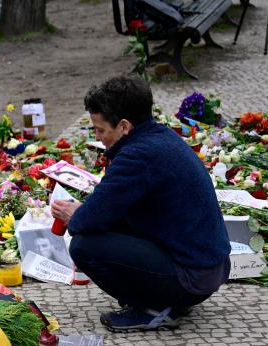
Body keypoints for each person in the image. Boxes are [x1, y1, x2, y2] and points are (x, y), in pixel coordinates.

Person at [51, 75, 231, 331]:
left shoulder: (138, 156)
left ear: (124, 126)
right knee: (109, 226)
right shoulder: (160, 137)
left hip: (193, 278)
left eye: (101, 130)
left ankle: (154, 309)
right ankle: (170, 298)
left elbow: (85, 222)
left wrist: (73, 213)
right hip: (210, 267)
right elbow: (109, 207)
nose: (98, 137)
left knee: (84, 246)